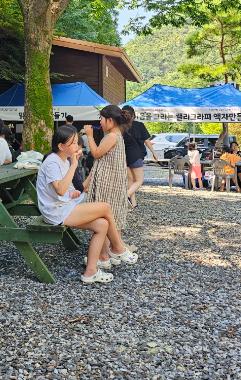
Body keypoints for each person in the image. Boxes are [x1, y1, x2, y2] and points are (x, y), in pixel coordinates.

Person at [37, 125, 138, 284]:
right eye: (73, 143)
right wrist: (74, 166)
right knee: (105, 207)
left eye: (77, 142)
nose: (77, 146)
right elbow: (60, 190)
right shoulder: (52, 162)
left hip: (64, 206)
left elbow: (63, 189)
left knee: (102, 224)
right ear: (61, 146)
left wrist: (72, 192)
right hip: (55, 212)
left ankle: (91, 272)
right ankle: (118, 248)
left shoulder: (62, 159)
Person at [83, 104, 136, 266]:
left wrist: (90, 136)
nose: (100, 122)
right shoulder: (116, 135)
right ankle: (109, 253)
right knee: (112, 218)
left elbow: (96, 153)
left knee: (104, 218)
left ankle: (103, 257)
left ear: (110, 121)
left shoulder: (112, 136)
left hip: (108, 183)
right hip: (114, 182)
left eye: (101, 119)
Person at [121, 105, 158, 208]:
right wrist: (154, 153)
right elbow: (146, 140)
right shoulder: (139, 125)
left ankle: (133, 204)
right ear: (133, 115)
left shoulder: (120, 127)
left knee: (130, 180)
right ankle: (126, 196)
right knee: (139, 181)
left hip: (124, 156)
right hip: (136, 154)